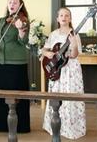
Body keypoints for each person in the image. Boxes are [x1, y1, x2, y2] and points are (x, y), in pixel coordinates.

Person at [0, 0, 30, 134]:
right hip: (0, 63)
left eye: (15, 2)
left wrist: (21, 30)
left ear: (20, 5)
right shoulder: (1, 21)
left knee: (17, 97)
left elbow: (23, 42)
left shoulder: (23, 21)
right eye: (10, 2)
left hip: (17, 64)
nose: (12, 4)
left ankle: (20, 127)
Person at [42, 7, 86, 139]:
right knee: (56, 97)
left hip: (70, 70)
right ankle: (54, 125)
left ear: (70, 19)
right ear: (57, 18)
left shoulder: (74, 35)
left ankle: (71, 126)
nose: (64, 17)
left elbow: (74, 55)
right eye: (61, 15)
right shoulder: (53, 34)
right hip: (56, 69)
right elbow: (44, 50)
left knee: (70, 95)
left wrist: (73, 44)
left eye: (67, 15)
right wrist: (48, 53)